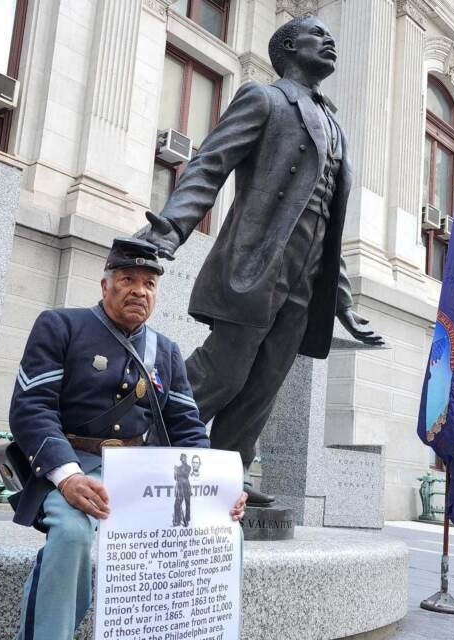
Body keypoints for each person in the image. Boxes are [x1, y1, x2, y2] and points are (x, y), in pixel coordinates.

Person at [137, 14, 384, 505]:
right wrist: (167, 232)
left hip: (306, 282)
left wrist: (343, 302)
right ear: (289, 47)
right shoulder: (265, 99)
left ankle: (227, 478)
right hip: (257, 265)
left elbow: (328, 223)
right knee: (222, 373)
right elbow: (209, 164)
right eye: (319, 35)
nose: (331, 41)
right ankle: (143, 452)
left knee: (262, 386)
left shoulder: (335, 125)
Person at [8, 237, 247, 640]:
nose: (140, 290)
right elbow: (31, 409)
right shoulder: (61, 326)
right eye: (128, 278)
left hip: (141, 475)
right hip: (74, 465)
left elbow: (187, 428)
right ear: (105, 286)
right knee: (72, 532)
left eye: (149, 283)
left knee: (225, 529)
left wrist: (218, 491)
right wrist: (66, 477)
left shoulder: (166, 351)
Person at [173, 453, 192, 526]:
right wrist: (175, 471)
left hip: (186, 487)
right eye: (182, 458)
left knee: (187, 504)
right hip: (180, 487)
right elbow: (175, 478)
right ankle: (177, 520)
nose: (183, 459)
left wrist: (177, 470)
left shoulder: (189, 467)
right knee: (177, 504)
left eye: (185, 458)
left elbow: (185, 475)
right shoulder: (179, 467)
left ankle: (187, 519)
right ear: (181, 459)